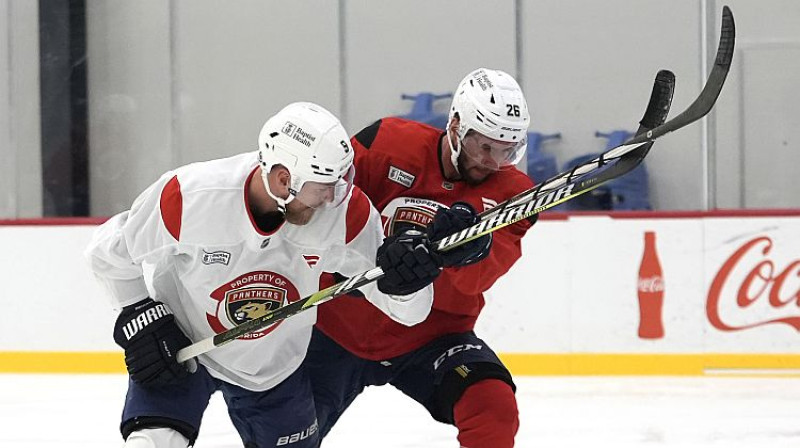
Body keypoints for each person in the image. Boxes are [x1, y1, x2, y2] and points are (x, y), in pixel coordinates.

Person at [85, 102, 442, 448]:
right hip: (183, 346)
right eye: (324, 185)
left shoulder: (345, 215)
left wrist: (406, 281)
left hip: (271, 367)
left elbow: (410, 312)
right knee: (152, 442)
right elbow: (108, 251)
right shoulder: (192, 196)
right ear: (284, 179)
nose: (334, 196)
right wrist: (138, 313)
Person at [306, 68, 537, 448]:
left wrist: (472, 251)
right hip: (335, 326)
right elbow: (320, 212)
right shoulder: (385, 142)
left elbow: (478, 278)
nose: (492, 162)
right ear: (456, 125)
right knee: (283, 436)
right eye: (483, 146)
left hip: (432, 337)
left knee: (492, 405)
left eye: (507, 151)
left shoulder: (515, 195)